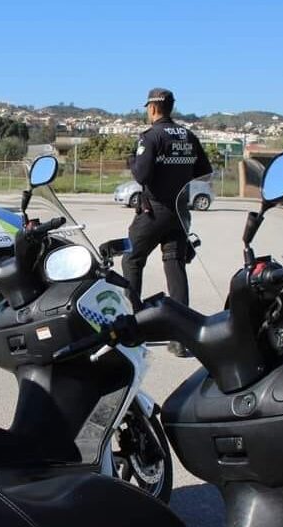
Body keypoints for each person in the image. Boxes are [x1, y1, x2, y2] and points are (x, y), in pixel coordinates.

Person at [123, 88, 212, 356]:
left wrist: (132, 160)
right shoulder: (188, 135)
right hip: (179, 213)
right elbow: (204, 172)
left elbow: (141, 174)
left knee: (132, 260)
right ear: (170, 107)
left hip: (153, 212)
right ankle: (181, 338)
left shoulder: (151, 137)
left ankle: (134, 328)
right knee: (174, 266)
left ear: (152, 108)